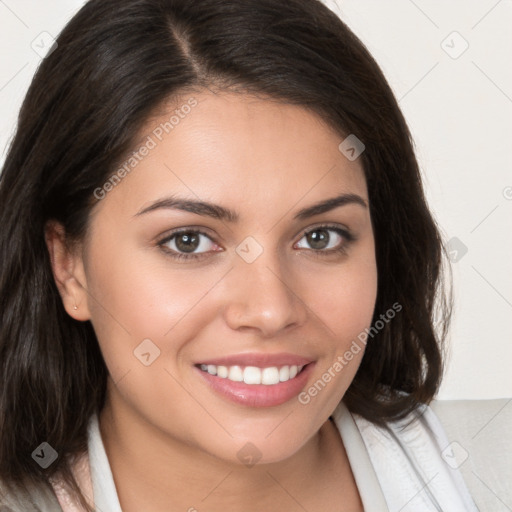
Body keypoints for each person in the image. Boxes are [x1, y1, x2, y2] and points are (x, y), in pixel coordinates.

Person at [0, 0, 479, 510]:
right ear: (68, 267)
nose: (271, 310)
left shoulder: (489, 467)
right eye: (188, 241)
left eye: (320, 237)